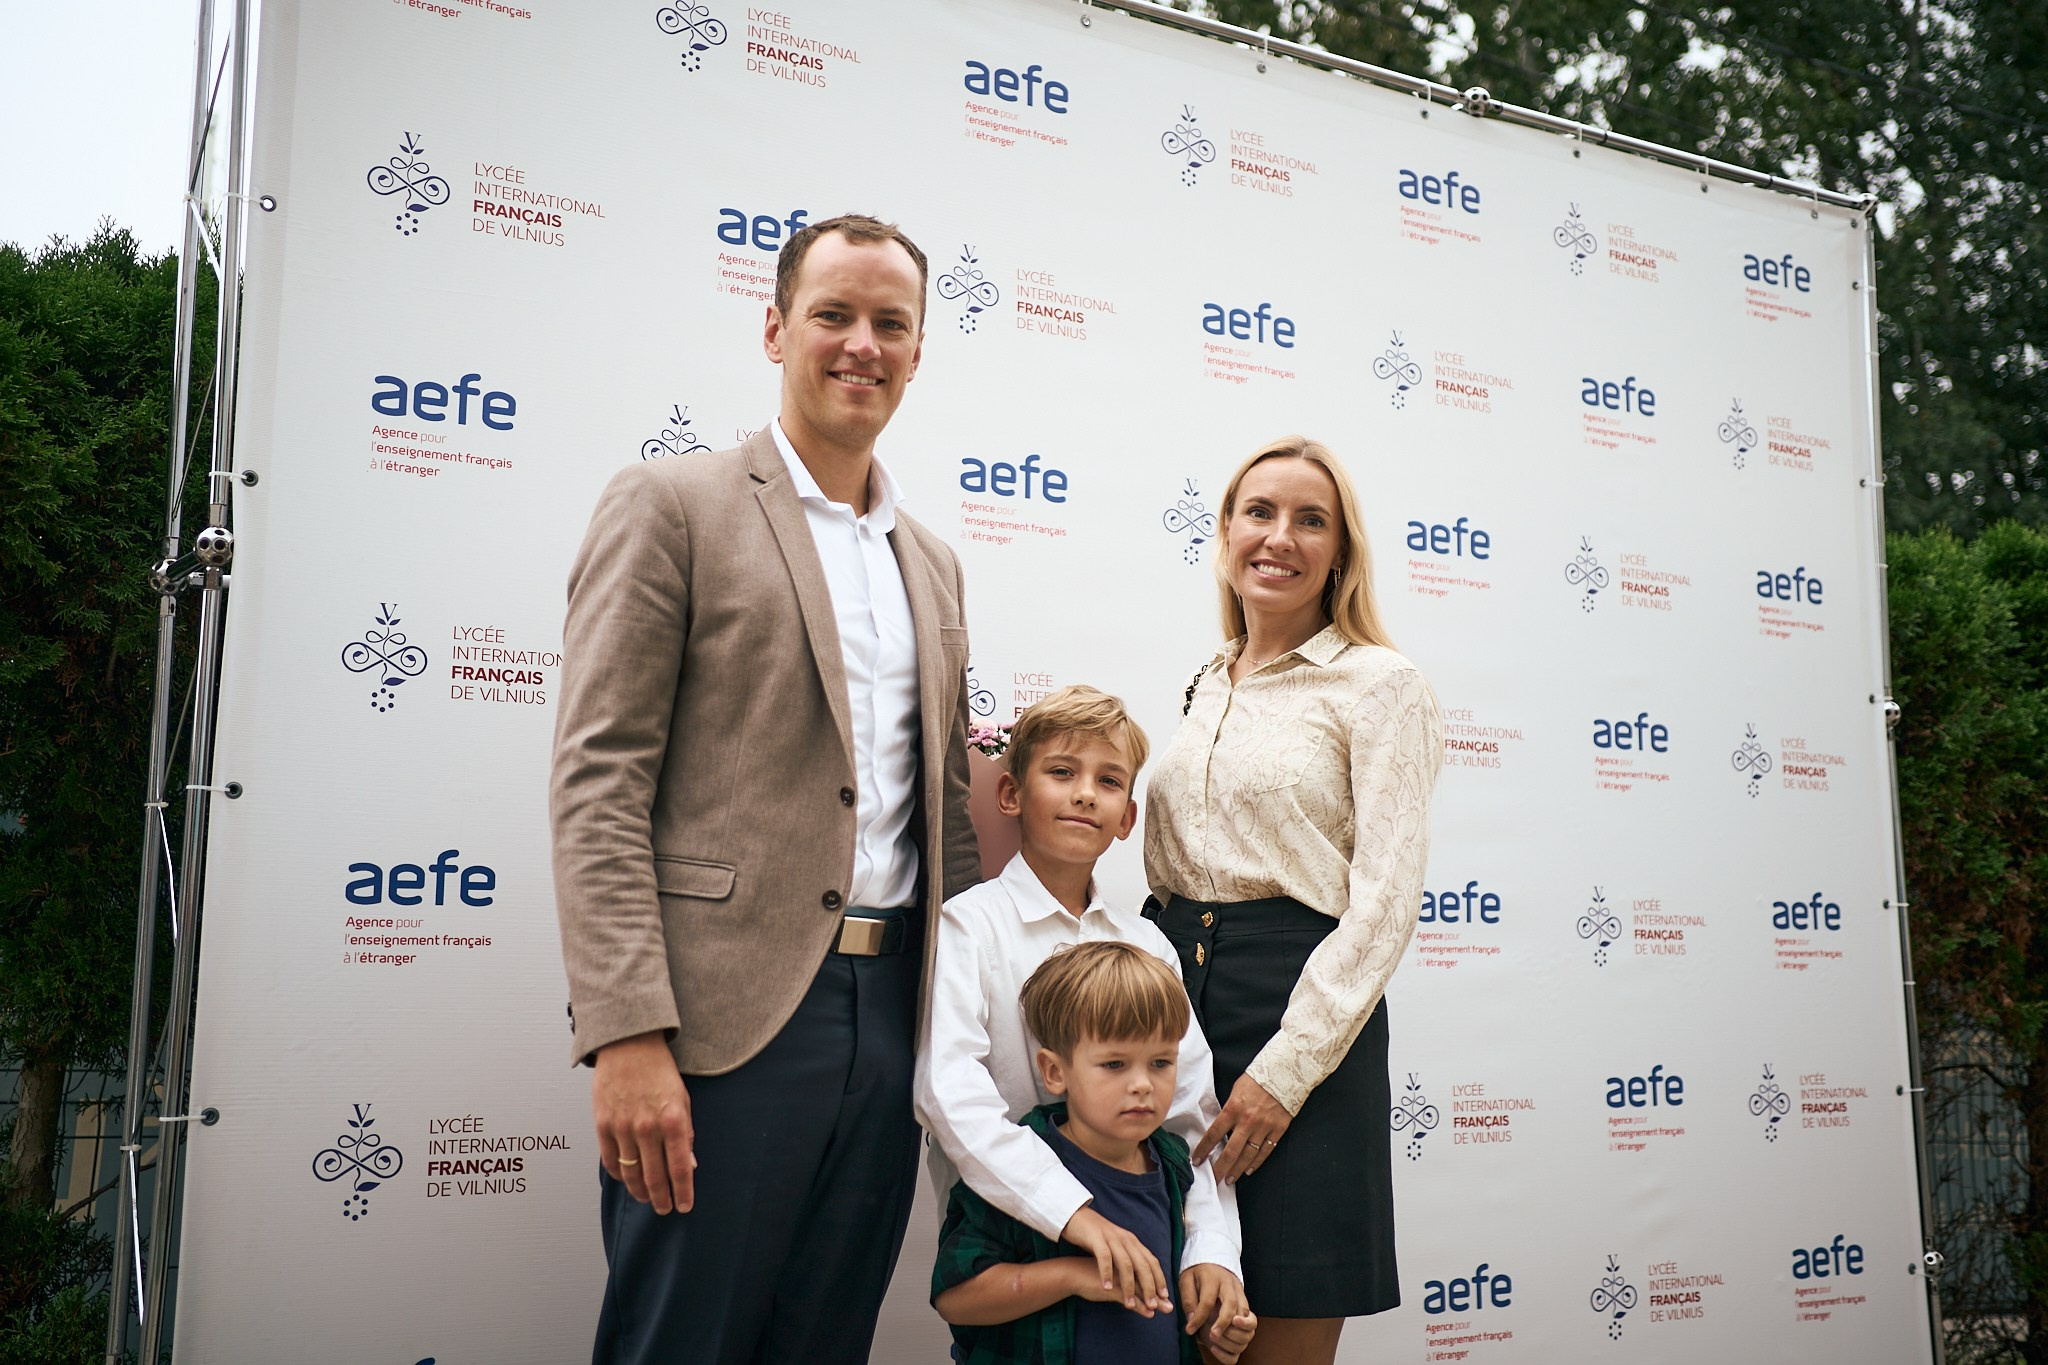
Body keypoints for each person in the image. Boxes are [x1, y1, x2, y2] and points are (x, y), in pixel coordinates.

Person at [548, 212, 981, 1365]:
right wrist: (628, 1033)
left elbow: (942, 808)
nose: (861, 345)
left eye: (890, 323)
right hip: (718, 1028)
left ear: (918, 350)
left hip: (893, 1025)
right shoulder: (670, 504)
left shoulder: (931, 561)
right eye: (832, 315)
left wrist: (966, 1026)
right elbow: (598, 782)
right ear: (775, 329)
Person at [1143, 435, 1443, 1365]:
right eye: (1259, 512)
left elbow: (1386, 902)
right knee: (1174, 1322)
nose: (1280, 536)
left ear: (1341, 552)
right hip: (1170, 1014)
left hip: (1301, 1011)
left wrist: (1287, 1068)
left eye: (1311, 519)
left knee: (1282, 1337)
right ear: (1226, 532)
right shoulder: (1204, 678)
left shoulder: (1381, 683)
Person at [916, 686, 1250, 1357]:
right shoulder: (968, 926)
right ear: (1010, 793)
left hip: (1145, 1221)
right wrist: (1076, 1215)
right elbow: (948, 1092)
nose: (1084, 794)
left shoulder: (1149, 946)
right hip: (1011, 1231)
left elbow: (1190, 1116)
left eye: (1108, 781)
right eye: (1062, 772)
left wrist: (1212, 1250)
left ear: (1127, 816)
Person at [932, 941, 1260, 1365]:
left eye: (1160, 1063)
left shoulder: (1175, 1166)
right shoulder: (1017, 1167)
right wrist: (1074, 1276)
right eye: (1115, 1065)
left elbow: (1167, 1305)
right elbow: (956, 1298)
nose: (1142, 1083)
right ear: (1054, 1071)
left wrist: (1215, 1332)